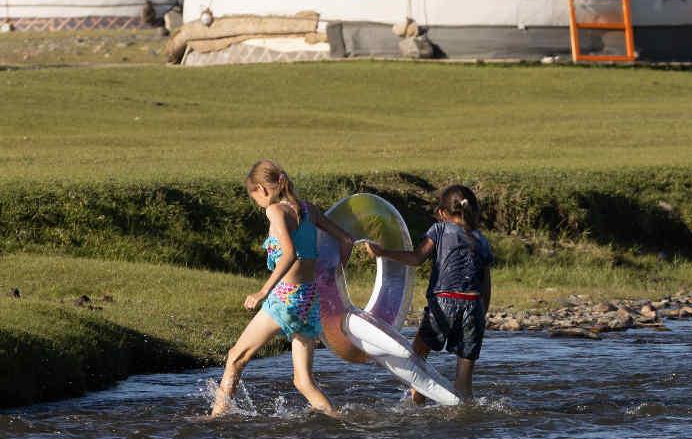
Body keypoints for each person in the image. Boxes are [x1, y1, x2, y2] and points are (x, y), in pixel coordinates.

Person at [211, 160, 347, 418]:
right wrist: (333, 275)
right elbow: (347, 240)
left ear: (262, 189)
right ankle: (339, 420)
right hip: (309, 298)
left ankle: (216, 418)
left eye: (255, 198)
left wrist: (263, 292)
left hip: (285, 298)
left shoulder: (275, 211)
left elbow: (289, 254)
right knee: (303, 382)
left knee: (235, 357)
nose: (258, 204)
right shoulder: (309, 209)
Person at [370, 185, 493, 403]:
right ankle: (465, 410)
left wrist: (383, 252)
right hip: (474, 305)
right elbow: (486, 284)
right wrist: (481, 314)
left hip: (443, 303)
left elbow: (417, 258)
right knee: (464, 381)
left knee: (416, 357)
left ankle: (416, 403)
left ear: (442, 213)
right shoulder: (482, 240)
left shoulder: (439, 229)